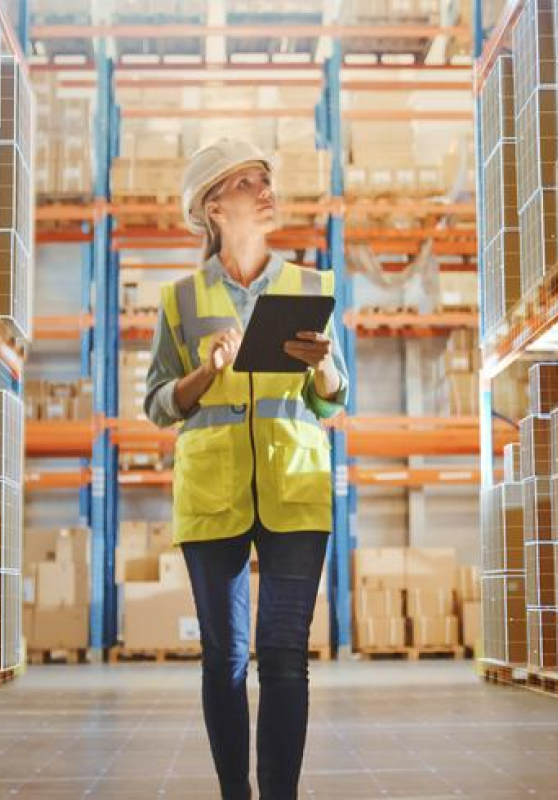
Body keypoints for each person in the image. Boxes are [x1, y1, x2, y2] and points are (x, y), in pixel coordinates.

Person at [142, 138, 349, 800]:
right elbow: (156, 404)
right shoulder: (179, 300)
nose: (266, 190)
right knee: (227, 661)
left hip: (295, 488)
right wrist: (208, 372)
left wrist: (321, 367)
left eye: (266, 180)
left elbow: (335, 397)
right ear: (213, 207)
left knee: (285, 660)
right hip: (213, 496)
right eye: (247, 182)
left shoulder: (310, 286)